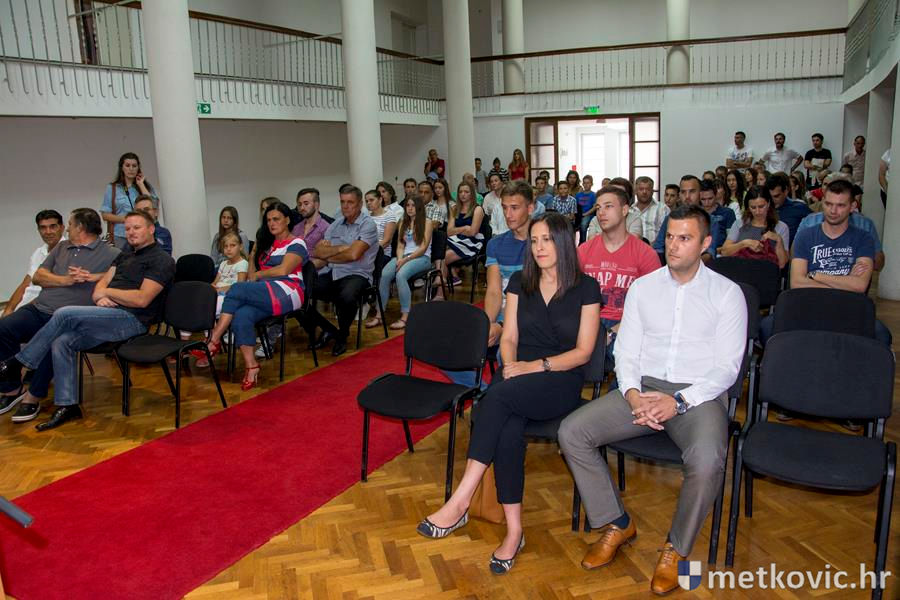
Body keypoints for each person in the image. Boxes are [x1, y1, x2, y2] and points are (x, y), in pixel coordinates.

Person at [558, 204, 746, 595]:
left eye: (685, 238)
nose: (673, 246)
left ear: (706, 243)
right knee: (572, 432)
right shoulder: (644, 288)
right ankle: (617, 523)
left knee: (708, 459)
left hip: (699, 395)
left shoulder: (727, 294)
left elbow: (727, 368)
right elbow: (626, 350)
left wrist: (678, 402)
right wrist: (630, 393)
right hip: (642, 388)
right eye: (670, 237)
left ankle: (676, 549)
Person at [416, 212, 601, 576]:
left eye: (547, 240)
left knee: (492, 402)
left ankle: (460, 499)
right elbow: (510, 337)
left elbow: (583, 353)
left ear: (565, 243)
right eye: (534, 241)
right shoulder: (519, 281)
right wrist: (513, 366)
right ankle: (514, 531)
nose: (539, 247)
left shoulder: (586, 288)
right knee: (508, 426)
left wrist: (534, 367)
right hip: (517, 372)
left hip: (559, 377)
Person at [0, 211, 175, 431]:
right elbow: (100, 286)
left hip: (132, 320)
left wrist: (107, 292)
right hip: (107, 315)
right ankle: (68, 405)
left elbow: (141, 299)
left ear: (151, 229)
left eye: (137, 228)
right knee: (62, 341)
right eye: (128, 228)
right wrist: (101, 295)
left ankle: (19, 363)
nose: (131, 232)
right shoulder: (125, 254)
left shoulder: (161, 260)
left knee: (64, 313)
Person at [0, 209, 119, 423]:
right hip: (40, 308)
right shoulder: (62, 248)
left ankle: (33, 396)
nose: (67, 229)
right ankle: (12, 389)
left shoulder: (111, 253)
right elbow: (38, 277)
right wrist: (66, 280)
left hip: (70, 316)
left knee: (53, 341)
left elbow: (122, 277)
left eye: (70, 224)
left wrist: (92, 277)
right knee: (4, 328)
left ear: (80, 228)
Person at [196, 202, 307, 388]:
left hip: (289, 290)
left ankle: (214, 339)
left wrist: (258, 275)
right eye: (268, 220)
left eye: (276, 219)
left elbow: (284, 269)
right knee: (241, 315)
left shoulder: (297, 243)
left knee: (237, 289)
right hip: (265, 292)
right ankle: (251, 366)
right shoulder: (268, 246)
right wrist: (255, 252)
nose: (271, 223)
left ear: (287, 220)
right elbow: (251, 271)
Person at [443, 181, 535, 389]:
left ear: (530, 208)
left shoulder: (543, 243)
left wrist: (502, 327)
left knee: (505, 354)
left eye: (514, 208)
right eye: (504, 208)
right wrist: (487, 325)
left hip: (529, 320)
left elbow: (538, 298)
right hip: (502, 315)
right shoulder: (496, 244)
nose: (508, 214)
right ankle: (484, 392)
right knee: (445, 348)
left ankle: (499, 396)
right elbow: (494, 292)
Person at [577, 186, 659, 371]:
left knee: (634, 367)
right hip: (589, 323)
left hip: (628, 325)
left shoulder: (645, 254)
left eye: (608, 206)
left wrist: (613, 332)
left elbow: (653, 305)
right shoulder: (583, 251)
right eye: (598, 208)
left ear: (624, 210)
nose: (601, 213)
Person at [309, 186, 379, 356]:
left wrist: (330, 254)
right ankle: (330, 330)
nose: (345, 206)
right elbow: (318, 251)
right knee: (301, 292)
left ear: (360, 204)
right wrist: (342, 248)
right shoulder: (335, 225)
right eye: (342, 202)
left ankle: (342, 336)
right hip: (334, 273)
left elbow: (354, 255)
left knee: (346, 297)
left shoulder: (367, 224)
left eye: (350, 202)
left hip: (358, 274)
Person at [372, 194, 434, 330]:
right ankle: (379, 315)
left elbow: (423, 248)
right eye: (408, 205)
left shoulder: (427, 222)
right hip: (404, 256)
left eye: (413, 205)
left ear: (419, 207)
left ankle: (405, 316)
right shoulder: (402, 222)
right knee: (384, 275)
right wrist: (400, 259)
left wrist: (406, 259)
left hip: (422, 258)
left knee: (401, 275)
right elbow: (400, 246)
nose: (410, 208)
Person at [797, 185, 885, 272]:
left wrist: (865, 260)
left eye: (840, 205)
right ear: (823, 201)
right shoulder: (809, 223)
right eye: (829, 204)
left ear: (852, 206)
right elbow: (795, 262)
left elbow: (878, 264)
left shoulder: (864, 228)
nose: (833, 211)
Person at [3, 210, 65, 318]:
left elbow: (52, 293)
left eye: (53, 226)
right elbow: (25, 284)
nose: (48, 232)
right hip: (25, 307)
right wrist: (8, 310)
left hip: (42, 309)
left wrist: (19, 314)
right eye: (43, 228)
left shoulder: (69, 252)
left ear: (62, 228)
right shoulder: (38, 252)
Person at [721, 186, 790, 268]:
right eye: (753, 207)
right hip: (740, 271)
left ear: (768, 204)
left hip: (767, 273)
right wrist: (744, 244)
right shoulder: (739, 224)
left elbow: (782, 264)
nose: (757, 212)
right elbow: (724, 252)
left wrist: (779, 240)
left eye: (761, 206)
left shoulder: (781, 227)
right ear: (748, 207)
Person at [101, 152, 158, 250]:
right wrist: (127, 219)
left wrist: (141, 184)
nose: (131, 169)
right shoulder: (113, 188)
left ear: (138, 168)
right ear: (122, 168)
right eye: (127, 166)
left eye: (134, 166)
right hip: (120, 235)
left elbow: (153, 205)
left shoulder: (145, 186)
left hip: (142, 234)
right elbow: (105, 215)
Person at [439, 181, 485, 296]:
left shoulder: (477, 209)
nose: (463, 194)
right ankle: (445, 280)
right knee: (439, 252)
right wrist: (464, 228)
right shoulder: (454, 209)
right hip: (456, 240)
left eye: (466, 192)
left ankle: (440, 291)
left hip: (472, 242)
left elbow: (473, 232)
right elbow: (449, 232)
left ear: (472, 194)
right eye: (460, 192)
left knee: (442, 256)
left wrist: (458, 230)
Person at [210, 232, 249, 317]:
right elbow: (215, 282)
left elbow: (239, 286)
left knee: (210, 308)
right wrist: (212, 286)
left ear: (240, 247)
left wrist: (221, 289)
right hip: (218, 293)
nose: (228, 249)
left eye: (232, 245)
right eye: (225, 246)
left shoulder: (243, 263)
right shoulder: (223, 264)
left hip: (230, 295)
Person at [767, 172, 809, 245]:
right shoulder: (762, 209)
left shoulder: (799, 208)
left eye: (776, 196)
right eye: (770, 196)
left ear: (786, 191)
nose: (772, 200)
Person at [291, 188, 331, 259]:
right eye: (299, 204)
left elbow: (328, 257)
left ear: (316, 204)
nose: (302, 208)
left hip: (316, 265)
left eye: (306, 204)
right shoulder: (296, 228)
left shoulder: (327, 228)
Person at [364, 189, 398, 269]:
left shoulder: (389, 215)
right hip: (366, 253)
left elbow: (386, 241)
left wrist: (369, 251)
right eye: (367, 201)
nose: (368, 203)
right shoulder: (366, 217)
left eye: (371, 200)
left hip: (382, 254)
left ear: (380, 199)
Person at [697, 179, 732, 255]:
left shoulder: (727, 213)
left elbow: (731, 240)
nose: (707, 203)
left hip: (720, 253)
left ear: (716, 195)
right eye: (703, 199)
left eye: (710, 198)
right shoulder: (696, 214)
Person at [633, 175, 668, 242]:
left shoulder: (662, 209)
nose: (644, 192)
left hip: (655, 247)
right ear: (635, 191)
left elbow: (666, 233)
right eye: (641, 189)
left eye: (648, 189)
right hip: (633, 247)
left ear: (652, 191)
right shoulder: (630, 210)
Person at [575, 175, 597, 240]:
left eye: (588, 183)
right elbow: (575, 205)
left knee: (583, 224)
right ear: (582, 184)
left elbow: (594, 207)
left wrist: (585, 214)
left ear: (591, 184)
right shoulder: (578, 195)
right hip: (578, 214)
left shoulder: (593, 195)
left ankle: (583, 241)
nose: (586, 185)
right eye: (584, 183)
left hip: (588, 214)